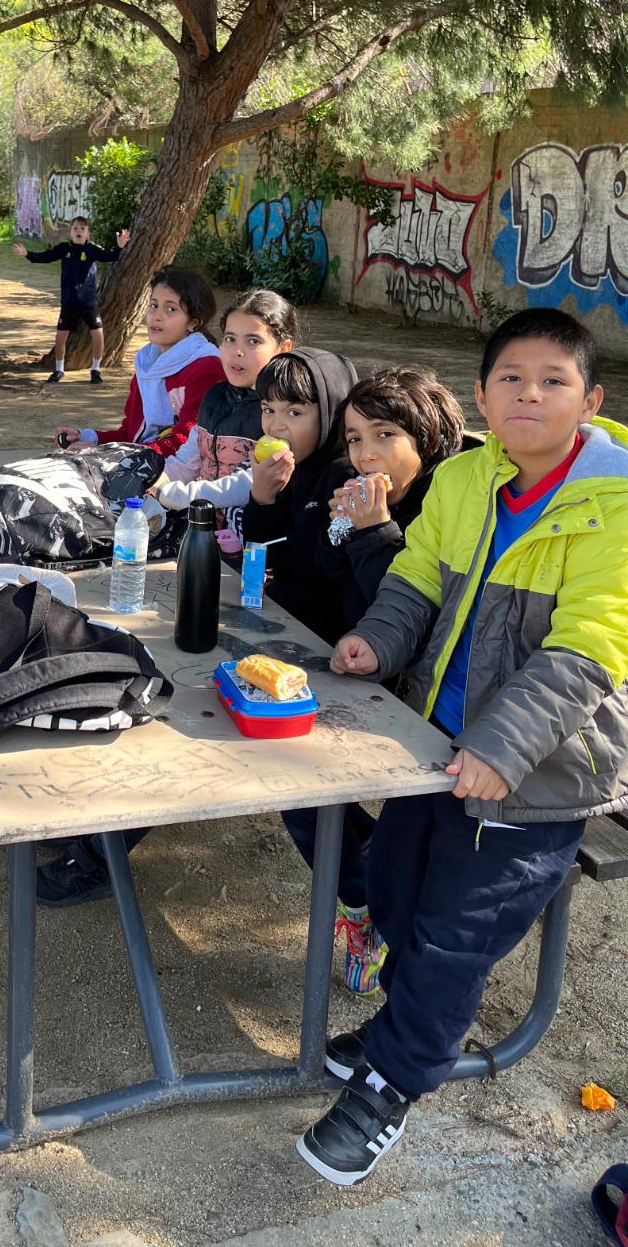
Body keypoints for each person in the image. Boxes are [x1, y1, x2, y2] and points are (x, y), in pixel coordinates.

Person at [297, 309, 628, 1187]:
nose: (530, 395)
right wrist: (375, 643)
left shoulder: (618, 502)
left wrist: (503, 746)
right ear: (482, 395)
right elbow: (414, 578)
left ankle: (392, 1082)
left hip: (538, 770)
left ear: (591, 400)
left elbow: (591, 646)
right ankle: (404, 1025)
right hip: (433, 745)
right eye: (511, 379)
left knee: (454, 935)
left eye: (554, 381)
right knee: (395, 890)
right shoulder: (467, 478)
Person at [279, 366, 470, 995]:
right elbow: (337, 586)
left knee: (310, 784)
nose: (365, 454)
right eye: (356, 438)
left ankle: (374, 901)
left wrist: (375, 533)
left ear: (429, 439)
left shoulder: (450, 507)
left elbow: (414, 615)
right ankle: (362, 897)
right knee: (293, 780)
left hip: (417, 692)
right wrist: (339, 530)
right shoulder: (359, 489)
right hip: (357, 667)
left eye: (385, 435)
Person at [158, 288, 300, 554]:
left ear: (283, 349)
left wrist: (178, 496)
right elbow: (187, 461)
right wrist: (158, 480)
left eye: (253, 341)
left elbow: (250, 482)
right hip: (198, 532)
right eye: (230, 339)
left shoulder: (282, 412)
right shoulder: (214, 396)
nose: (237, 352)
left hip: (252, 545)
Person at [238, 346, 358, 644]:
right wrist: (262, 499)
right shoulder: (294, 465)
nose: (275, 426)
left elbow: (316, 577)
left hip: (325, 639)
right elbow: (261, 558)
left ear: (332, 414)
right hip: (281, 619)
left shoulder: (346, 478)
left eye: (294, 412)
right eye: (268, 409)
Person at [54, 266, 223, 462]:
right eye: (153, 305)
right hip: (140, 461)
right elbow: (130, 434)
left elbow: (187, 444)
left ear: (193, 323)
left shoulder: (207, 368)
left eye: (171, 309)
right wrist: (89, 438)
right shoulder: (147, 364)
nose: (157, 316)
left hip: (180, 472)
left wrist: (109, 454)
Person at [13, 216, 130, 383]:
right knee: (60, 338)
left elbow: (110, 256)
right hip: (69, 303)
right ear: (70, 232)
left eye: (82, 229)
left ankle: (95, 370)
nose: (78, 231)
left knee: (98, 335)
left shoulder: (92, 249)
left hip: (88, 303)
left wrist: (119, 247)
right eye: (75, 228)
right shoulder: (64, 248)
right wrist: (27, 254)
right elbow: (46, 257)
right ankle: (59, 370)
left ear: (88, 234)